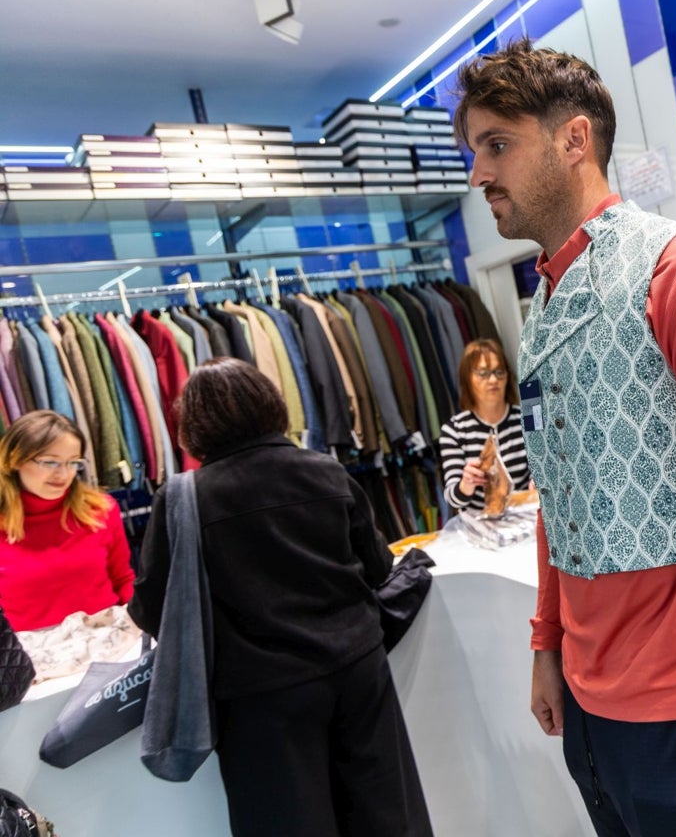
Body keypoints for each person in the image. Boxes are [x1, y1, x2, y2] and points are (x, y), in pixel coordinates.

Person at [456, 39, 676, 837]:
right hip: (589, 706)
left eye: (497, 145)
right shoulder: (545, 299)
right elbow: (560, 486)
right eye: (476, 150)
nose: (478, 174)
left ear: (573, 139)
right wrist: (547, 642)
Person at [129, 358, 430, 837]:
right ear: (269, 401)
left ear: (194, 423)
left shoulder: (186, 497)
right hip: (357, 670)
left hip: (262, 698)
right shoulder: (325, 472)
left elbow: (154, 610)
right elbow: (377, 568)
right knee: (387, 817)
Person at [0, 410, 132, 632]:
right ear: (15, 460)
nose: (64, 474)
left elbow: (123, 578)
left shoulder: (99, 510)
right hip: (30, 654)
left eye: (73, 463)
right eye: (50, 462)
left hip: (107, 641)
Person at [438, 338, 530, 512]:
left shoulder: (526, 419)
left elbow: (541, 470)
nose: (493, 379)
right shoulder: (454, 431)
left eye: (499, 371)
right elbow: (452, 498)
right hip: (478, 526)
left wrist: (538, 483)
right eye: (483, 373)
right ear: (467, 379)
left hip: (524, 517)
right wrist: (466, 484)